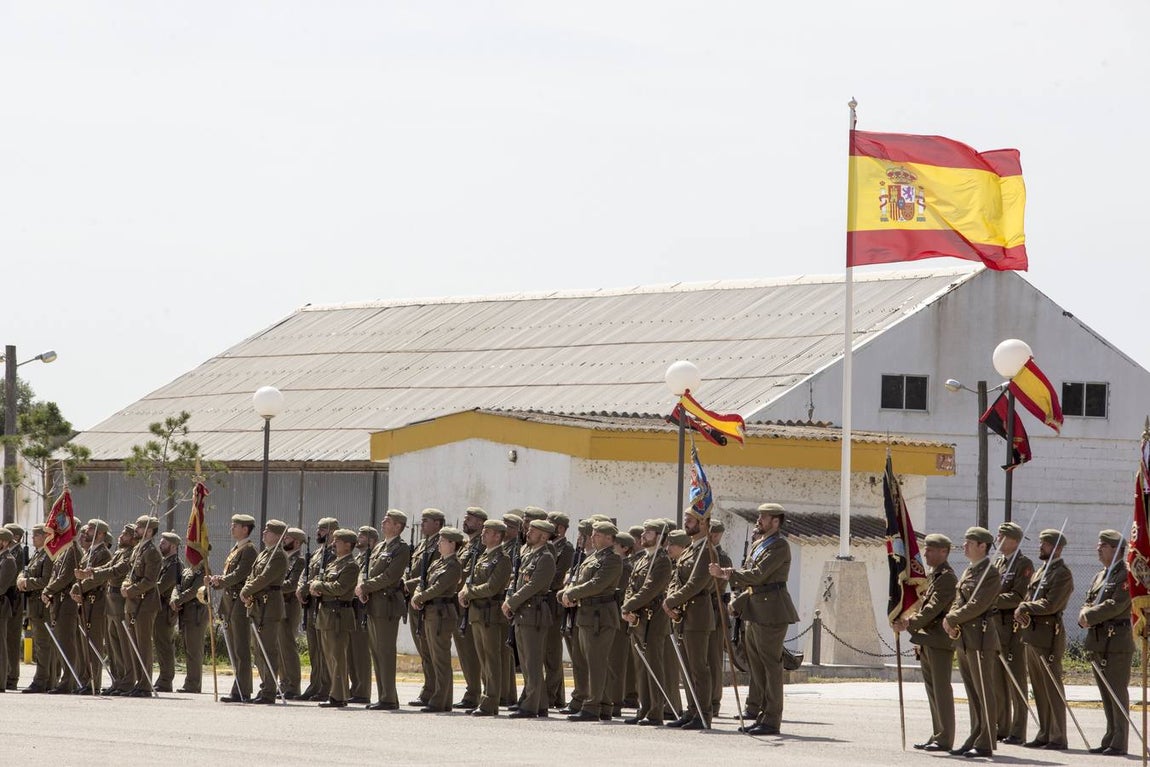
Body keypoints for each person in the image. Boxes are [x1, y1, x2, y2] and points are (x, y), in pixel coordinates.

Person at [710, 503, 798, 736]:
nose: (759, 520)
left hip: (771, 611)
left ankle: (771, 719)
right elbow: (751, 582)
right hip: (756, 609)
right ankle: (761, 713)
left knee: (770, 667)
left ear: (776, 521)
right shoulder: (761, 544)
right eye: (759, 516)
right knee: (757, 666)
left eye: (764, 517)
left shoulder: (779, 546)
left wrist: (726, 573)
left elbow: (759, 575)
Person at [942, 527, 1001, 758]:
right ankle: (976, 733)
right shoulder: (969, 571)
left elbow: (978, 604)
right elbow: (959, 600)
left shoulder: (990, 573)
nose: (964, 546)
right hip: (965, 638)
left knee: (984, 692)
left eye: (970, 542)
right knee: (972, 692)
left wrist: (952, 618)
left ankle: (986, 740)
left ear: (983, 546)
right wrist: (952, 618)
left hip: (980, 639)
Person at [895, 533, 957, 752]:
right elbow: (924, 606)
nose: (926, 553)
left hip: (939, 640)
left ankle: (946, 737)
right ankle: (938, 733)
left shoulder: (947, 577)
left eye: (930, 550)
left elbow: (934, 608)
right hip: (928, 639)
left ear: (943, 552)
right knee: (932, 690)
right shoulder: (935, 576)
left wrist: (909, 624)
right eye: (926, 549)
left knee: (941, 690)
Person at [1015, 528, 1074, 751]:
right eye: (1041, 543)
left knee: (1052, 686)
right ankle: (1045, 732)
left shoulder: (1062, 573)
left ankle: (1058, 736)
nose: (1041, 547)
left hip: (1049, 635)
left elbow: (1052, 604)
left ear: (1057, 548)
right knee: (1038, 688)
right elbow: (1031, 598)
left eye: (1045, 544)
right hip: (1032, 633)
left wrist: (1025, 606)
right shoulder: (1041, 571)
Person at [560, 520, 623, 722]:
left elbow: (597, 584)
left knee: (596, 662)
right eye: (593, 534)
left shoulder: (612, 559)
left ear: (608, 538)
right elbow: (580, 581)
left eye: (597, 534)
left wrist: (572, 592)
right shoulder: (593, 557)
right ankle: (604, 705)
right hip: (588, 614)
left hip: (600, 616)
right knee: (590, 661)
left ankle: (592, 705)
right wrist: (565, 592)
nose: (592, 537)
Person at [1078, 529, 1133, 756]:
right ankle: (1110, 736)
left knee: (1117, 691)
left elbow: (1117, 604)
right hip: (1098, 641)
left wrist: (1088, 615)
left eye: (1103, 545)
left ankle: (1120, 742)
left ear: (1115, 549)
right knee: (1105, 692)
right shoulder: (1100, 575)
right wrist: (1084, 612)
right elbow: (1088, 600)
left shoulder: (1126, 574)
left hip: (1117, 641)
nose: (1098, 548)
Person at [662, 508, 715, 730]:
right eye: (686, 519)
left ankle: (703, 713)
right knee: (686, 667)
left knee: (698, 667)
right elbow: (675, 579)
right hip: (683, 613)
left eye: (691, 519)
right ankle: (691, 711)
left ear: (703, 523)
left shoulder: (707, 551)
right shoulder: (688, 551)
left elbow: (696, 584)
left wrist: (671, 602)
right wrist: (671, 601)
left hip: (698, 614)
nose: (686, 522)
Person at [358, 509, 411, 710]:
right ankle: (383, 695)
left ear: (398, 526)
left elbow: (390, 576)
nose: (383, 522)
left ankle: (389, 698)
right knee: (377, 652)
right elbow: (366, 570)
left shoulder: (401, 548)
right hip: (373, 604)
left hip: (387, 605)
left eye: (388, 521)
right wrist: (361, 585)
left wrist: (365, 587)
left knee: (385, 652)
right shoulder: (380, 547)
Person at [503, 518, 557, 719]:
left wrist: (512, 602)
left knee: (532, 662)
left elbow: (533, 585)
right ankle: (539, 703)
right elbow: (515, 580)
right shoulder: (528, 555)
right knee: (525, 661)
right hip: (522, 612)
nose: (528, 532)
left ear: (543, 536)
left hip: (534, 613)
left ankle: (530, 705)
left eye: (533, 531)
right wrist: (510, 599)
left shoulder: (545, 558)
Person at [621, 518, 673, 726]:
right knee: (641, 666)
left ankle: (655, 711)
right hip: (638, 618)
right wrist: (627, 607)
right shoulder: (643, 559)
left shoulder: (662, 560)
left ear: (659, 537)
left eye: (648, 533)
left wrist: (628, 607)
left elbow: (650, 589)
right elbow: (630, 588)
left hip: (654, 618)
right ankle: (644, 708)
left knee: (653, 664)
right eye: (643, 532)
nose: (643, 536)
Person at [459, 517, 511, 716]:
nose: (483, 534)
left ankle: (491, 701)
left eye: (487, 532)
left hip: (490, 614)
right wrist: (465, 590)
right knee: (482, 658)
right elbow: (471, 579)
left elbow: (492, 587)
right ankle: (485, 697)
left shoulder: (502, 559)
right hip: (477, 612)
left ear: (497, 536)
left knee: (491, 658)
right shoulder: (482, 556)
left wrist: (468, 592)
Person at [77, 523, 135, 694]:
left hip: (119, 600)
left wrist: (92, 573)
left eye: (125, 534)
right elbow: (107, 568)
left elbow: (115, 570)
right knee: (113, 645)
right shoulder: (119, 552)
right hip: (111, 600)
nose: (121, 536)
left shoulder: (130, 554)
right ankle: (118, 680)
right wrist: (92, 571)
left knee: (123, 644)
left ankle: (127, 681)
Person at [410, 525, 464, 712]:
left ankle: (441, 700)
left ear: (452, 544)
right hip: (431, 612)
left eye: (442, 541)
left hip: (442, 614)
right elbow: (422, 581)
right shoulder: (438, 563)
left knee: (440, 658)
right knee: (433, 657)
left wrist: (420, 596)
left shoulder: (453, 565)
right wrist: (417, 593)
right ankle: (440, 698)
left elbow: (438, 587)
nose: (439, 544)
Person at [991, 521, 1033, 745]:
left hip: (1013, 630)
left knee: (1016, 681)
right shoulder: (998, 563)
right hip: (996, 628)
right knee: (998, 682)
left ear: (1014, 541)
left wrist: (991, 600)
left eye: (1002, 536)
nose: (998, 540)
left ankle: (1018, 730)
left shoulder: (1023, 564)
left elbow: (1018, 596)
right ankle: (1002, 726)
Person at [309, 528, 361, 708]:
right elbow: (321, 582)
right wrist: (316, 586)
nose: (333, 544)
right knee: (330, 656)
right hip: (327, 613)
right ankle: (335, 692)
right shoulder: (334, 564)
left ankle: (339, 696)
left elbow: (340, 588)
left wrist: (319, 585)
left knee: (337, 656)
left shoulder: (351, 566)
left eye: (337, 541)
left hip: (339, 615)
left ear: (348, 545)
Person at [240, 519, 289, 704]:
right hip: (258, 605)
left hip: (269, 606)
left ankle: (269, 690)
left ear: (277, 536)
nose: (263, 534)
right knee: (258, 650)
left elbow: (265, 578)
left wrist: (246, 590)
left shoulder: (278, 555)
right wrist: (247, 589)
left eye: (268, 531)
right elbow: (252, 576)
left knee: (268, 649)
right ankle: (265, 686)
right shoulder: (264, 554)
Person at [211, 513, 257, 703]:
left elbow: (240, 574)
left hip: (239, 602)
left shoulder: (249, 550)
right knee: (234, 647)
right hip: (229, 601)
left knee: (241, 648)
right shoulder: (236, 549)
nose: (232, 528)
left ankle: (243, 689)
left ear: (245, 529)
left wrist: (220, 581)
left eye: (235, 525)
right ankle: (238, 687)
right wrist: (216, 580)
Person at [404, 508, 445, 707]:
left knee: (430, 650)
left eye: (426, 520)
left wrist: (407, 585)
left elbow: (429, 576)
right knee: (423, 649)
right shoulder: (422, 544)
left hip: (426, 601)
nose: (422, 525)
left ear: (437, 523)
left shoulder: (440, 545)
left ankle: (435, 691)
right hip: (416, 599)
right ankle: (429, 689)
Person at [120, 515, 162, 697]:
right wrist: (125, 585)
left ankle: (145, 684)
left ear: (149, 531)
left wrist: (130, 590)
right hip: (133, 602)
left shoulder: (152, 552)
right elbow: (131, 573)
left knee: (143, 645)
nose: (136, 529)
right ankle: (139, 681)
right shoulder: (138, 549)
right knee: (134, 644)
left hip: (145, 603)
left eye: (139, 527)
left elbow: (149, 580)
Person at [297, 516, 337, 701]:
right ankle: (315, 685)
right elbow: (306, 573)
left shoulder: (335, 554)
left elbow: (322, 579)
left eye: (322, 529)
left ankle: (326, 687)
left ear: (332, 532)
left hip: (324, 604)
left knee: (324, 649)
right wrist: (300, 588)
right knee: (314, 649)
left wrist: (305, 588)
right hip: (311, 605)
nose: (318, 532)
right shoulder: (317, 553)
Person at [16, 525, 59, 693]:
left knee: (43, 644)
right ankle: (46, 679)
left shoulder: (48, 555)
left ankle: (42, 680)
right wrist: (21, 578)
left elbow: (46, 580)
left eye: (36, 535)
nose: (33, 538)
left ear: (45, 537)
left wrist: (27, 583)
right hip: (35, 604)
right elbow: (25, 570)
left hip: (42, 605)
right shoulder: (37, 554)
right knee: (41, 644)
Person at [453, 507, 487, 711]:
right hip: (458, 602)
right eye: (465, 518)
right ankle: (471, 690)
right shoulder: (465, 546)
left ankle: (478, 693)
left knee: (473, 651)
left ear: (482, 523)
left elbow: (468, 574)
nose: (466, 521)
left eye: (471, 519)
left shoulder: (481, 547)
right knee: (464, 651)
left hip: (470, 603)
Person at [43, 524, 81, 694]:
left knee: (67, 641)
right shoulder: (64, 551)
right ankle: (63, 680)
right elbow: (54, 575)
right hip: (58, 600)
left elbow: (65, 577)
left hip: (67, 602)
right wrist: (50, 591)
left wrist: (48, 590)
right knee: (60, 641)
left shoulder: (73, 551)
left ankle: (68, 681)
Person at [545, 511, 574, 710]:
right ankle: (557, 696)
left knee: (553, 653)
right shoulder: (549, 548)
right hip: (545, 602)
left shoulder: (567, 549)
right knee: (548, 652)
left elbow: (557, 577)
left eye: (551, 525)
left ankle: (550, 695)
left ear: (561, 529)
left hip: (554, 604)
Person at [605, 531, 634, 717]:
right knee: (609, 661)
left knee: (616, 662)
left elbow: (620, 593)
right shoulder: (616, 564)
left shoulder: (626, 567)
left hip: (619, 617)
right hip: (612, 616)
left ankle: (615, 702)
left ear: (624, 548)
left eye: (615, 545)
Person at [348, 525, 377, 704]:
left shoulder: (372, 557)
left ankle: (363, 691)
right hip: (353, 605)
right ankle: (355, 687)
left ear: (372, 540)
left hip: (364, 606)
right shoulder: (359, 557)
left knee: (361, 651)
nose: (358, 539)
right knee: (352, 651)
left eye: (363, 536)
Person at [170, 549, 207, 693]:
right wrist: (174, 599)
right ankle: (190, 680)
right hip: (185, 613)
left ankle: (194, 683)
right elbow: (177, 586)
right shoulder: (186, 571)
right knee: (188, 648)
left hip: (196, 613)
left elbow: (194, 590)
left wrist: (178, 600)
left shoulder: (203, 572)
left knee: (194, 650)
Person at [278, 527, 307, 698]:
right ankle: (284, 682)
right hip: (280, 603)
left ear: (296, 542)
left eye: (287, 538)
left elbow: (292, 584)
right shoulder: (283, 559)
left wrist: (272, 587)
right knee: (280, 646)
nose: (284, 540)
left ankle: (293, 685)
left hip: (290, 605)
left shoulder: (299, 561)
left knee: (287, 645)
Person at [153, 531, 182, 692]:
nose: (160, 545)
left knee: (164, 644)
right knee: (159, 643)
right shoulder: (165, 563)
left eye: (163, 543)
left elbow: (162, 586)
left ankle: (166, 679)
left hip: (165, 609)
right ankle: (163, 677)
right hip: (158, 608)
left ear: (172, 546)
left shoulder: (175, 565)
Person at [500, 511, 524, 707]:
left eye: (509, 525)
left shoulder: (517, 548)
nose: (504, 528)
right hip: (504, 601)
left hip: (511, 601)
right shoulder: (503, 547)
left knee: (506, 650)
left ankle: (508, 693)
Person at [3, 523, 25, 690]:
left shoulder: (16, 554)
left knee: (10, 640)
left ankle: (11, 676)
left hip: (12, 601)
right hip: (10, 600)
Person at [0, 528, 17, 692]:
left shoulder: (8, 560)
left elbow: (1, 586)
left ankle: (1, 682)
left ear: (4, 542)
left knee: (1, 646)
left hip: (1, 606)